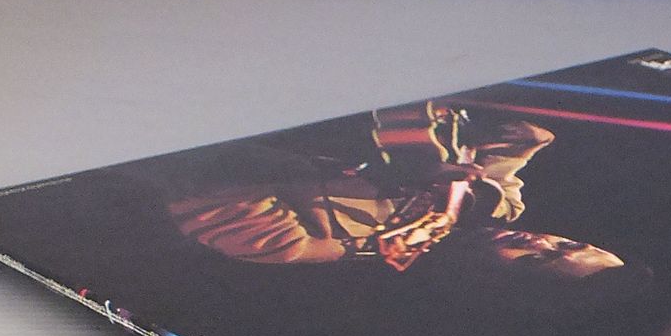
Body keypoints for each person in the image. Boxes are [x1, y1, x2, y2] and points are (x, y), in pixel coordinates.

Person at [166, 102, 561, 269]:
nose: (539, 242)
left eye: (537, 261)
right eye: (565, 244)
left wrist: (373, 168)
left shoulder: (333, 246)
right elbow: (528, 137)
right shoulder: (500, 204)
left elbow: (195, 193)